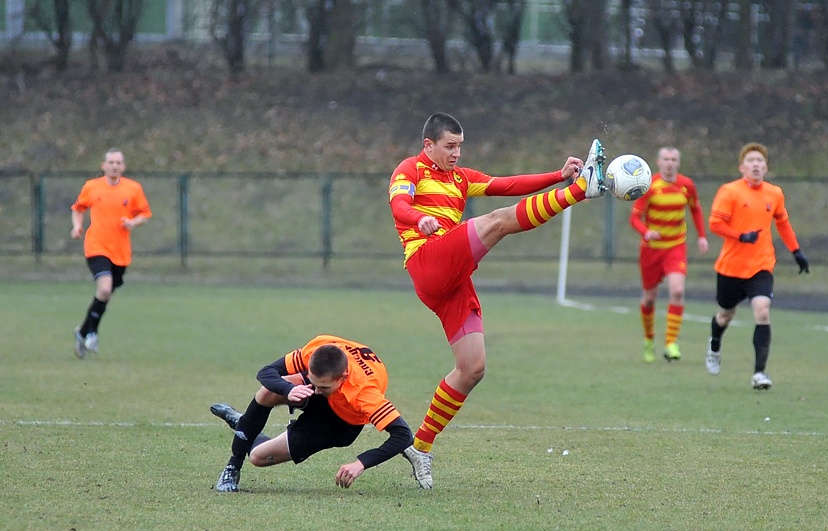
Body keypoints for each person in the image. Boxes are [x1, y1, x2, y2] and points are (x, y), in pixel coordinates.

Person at [388, 112, 606, 489]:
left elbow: (507, 184)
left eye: (460, 146)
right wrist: (419, 218)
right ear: (429, 145)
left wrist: (557, 174)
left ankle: (420, 446)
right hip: (428, 261)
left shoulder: (461, 178)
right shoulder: (410, 170)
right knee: (498, 222)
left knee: (472, 368)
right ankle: (581, 191)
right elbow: (399, 207)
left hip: (453, 279)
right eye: (449, 146)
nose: (456, 153)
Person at [210, 335, 414, 491]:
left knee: (257, 457)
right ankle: (232, 467)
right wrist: (289, 390)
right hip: (328, 394)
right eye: (312, 382)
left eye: (323, 387)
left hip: (339, 423)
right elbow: (266, 372)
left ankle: (243, 424)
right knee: (269, 391)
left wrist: (361, 463)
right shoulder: (319, 348)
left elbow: (403, 435)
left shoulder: (364, 393)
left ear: (342, 377)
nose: (316, 391)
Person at [705, 143, 810, 390]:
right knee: (725, 315)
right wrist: (740, 236)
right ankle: (715, 345)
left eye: (760, 161)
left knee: (762, 311)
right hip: (731, 267)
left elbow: (783, 223)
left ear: (766, 167)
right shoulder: (730, 191)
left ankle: (759, 373)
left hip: (761, 265)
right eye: (751, 161)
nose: (756, 165)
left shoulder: (774, 194)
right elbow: (715, 224)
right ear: (742, 167)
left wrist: (796, 251)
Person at [70, 149, 152, 359]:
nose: (114, 165)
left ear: (123, 167)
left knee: (105, 295)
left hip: (121, 251)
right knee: (105, 290)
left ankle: (81, 331)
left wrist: (132, 222)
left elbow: (144, 213)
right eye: (111, 162)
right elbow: (78, 208)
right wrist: (77, 226)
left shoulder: (133, 188)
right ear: (103, 165)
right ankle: (92, 333)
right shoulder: (92, 186)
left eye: (118, 162)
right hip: (96, 246)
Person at [630, 147, 709, 363]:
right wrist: (647, 232)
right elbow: (635, 218)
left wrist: (702, 235)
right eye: (666, 159)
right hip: (651, 250)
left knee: (677, 291)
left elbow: (695, 209)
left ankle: (671, 343)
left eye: (674, 159)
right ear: (658, 162)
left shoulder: (686, 185)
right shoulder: (649, 185)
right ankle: (649, 340)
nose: (670, 163)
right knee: (649, 298)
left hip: (676, 246)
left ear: (678, 163)